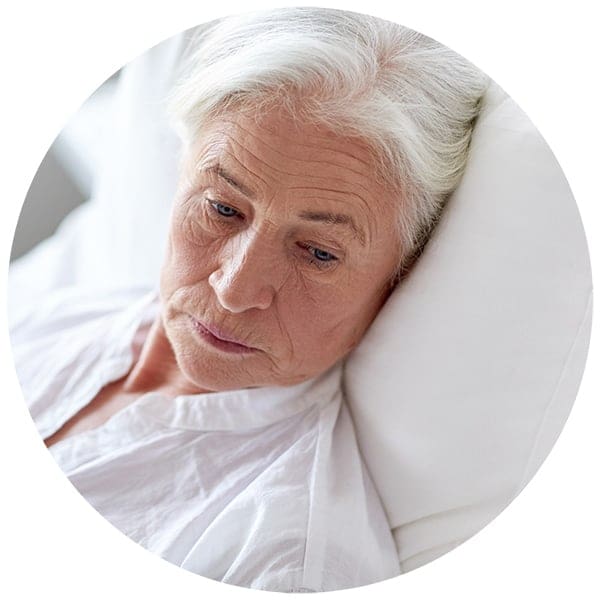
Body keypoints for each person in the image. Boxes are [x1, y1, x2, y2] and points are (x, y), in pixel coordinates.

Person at [10, 7, 488, 592]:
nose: (234, 290)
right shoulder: (55, 315)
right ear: (181, 171)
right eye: (222, 208)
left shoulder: (279, 558)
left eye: (318, 252)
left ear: (400, 273)